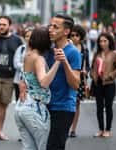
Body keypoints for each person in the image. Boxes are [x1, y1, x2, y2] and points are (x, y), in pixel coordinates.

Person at [15, 27, 60, 150]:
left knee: (28, 147)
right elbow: (44, 82)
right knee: (43, 146)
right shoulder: (38, 58)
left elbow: (24, 78)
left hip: (22, 107)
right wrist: (57, 62)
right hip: (35, 109)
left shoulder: (28, 55)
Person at [46, 14, 81, 150]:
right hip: (45, 107)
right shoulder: (48, 49)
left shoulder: (73, 52)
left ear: (66, 31)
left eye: (55, 27)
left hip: (63, 108)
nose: (51, 29)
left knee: (54, 147)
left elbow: (75, 84)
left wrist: (65, 62)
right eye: (50, 25)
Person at [90, 33, 116, 138]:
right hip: (98, 84)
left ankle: (108, 130)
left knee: (108, 107)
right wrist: (93, 75)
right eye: (100, 41)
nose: (102, 43)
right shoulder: (97, 54)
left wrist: (111, 75)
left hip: (109, 84)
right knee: (99, 107)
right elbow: (92, 67)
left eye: (105, 41)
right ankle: (101, 129)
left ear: (109, 41)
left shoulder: (114, 53)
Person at [69, 25, 90, 138]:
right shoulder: (66, 47)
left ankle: (73, 129)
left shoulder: (84, 49)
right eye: (72, 35)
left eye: (77, 35)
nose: (74, 37)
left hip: (80, 79)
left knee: (76, 104)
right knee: (68, 102)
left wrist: (86, 71)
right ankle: (66, 127)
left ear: (81, 37)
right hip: (68, 77)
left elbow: (88, 65)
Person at [13, 27, 33, 102]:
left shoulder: (38, 50)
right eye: (27, 36)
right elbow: (16, 63)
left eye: (31, 36)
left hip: (32, 83)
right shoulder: (21, 49)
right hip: (19, 80)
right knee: (20, 102)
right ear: (24, 38)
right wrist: (28, 67)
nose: (29, 38)